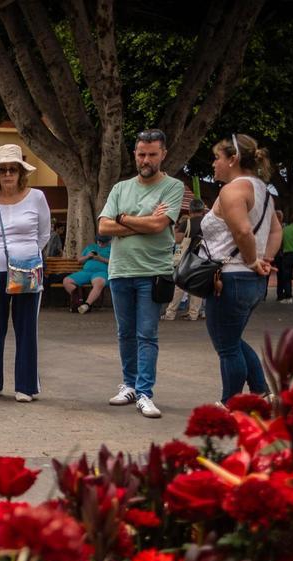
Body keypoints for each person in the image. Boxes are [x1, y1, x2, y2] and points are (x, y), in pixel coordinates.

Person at [97, 129, 185, 419]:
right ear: (135, 155)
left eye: (152, 154)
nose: (145, 159)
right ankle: (130, 385)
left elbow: (160, 226)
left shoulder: (173, 187)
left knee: (147, 334)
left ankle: (145, 392)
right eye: (141, 154)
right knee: (125, 333)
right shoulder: (120, 188)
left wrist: (122, 218)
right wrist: (141, 222)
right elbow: (103, 228)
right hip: (120, 270)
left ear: (163, 154)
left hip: (153, 273)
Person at [201, 134, 282, 403]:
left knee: (226, 346)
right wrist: (264, 260)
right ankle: (261, 392)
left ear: (232, 159)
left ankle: (230, 402)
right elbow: (275, 231)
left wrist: (251, 259)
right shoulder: (263, 191)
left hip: (230, 277)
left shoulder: (233, 190)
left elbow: (242, 230)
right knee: (233, 339)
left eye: (217, 158)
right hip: (252, 280)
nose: (214, 164)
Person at [0, 144, 50, 401]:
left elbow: (44, 233)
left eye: (13, 169)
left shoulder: (37, 197)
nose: (8, 174)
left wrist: (25, 255)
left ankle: (26, 386)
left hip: (27, 268)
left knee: (27, 327)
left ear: (21, 173)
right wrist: (2, 256)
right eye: (3, 170)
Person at [164, 199, 207, 321]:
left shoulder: (187, 223)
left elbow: (177, 240)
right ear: (203, 211)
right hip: (203, 258)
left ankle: (170, 313)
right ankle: (193, 314)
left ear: (190, 210)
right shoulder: (207, 223)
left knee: (179, 285)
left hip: (187, 258)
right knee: (197, 286)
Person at [63, 234, 111, 314]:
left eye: (103, 242)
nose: (101, 243)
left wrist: (100, 258)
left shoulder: (112, 249)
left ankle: (87, 304)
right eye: (99, 241)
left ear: (109, 241)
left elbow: (114, 263)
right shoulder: (90, 247)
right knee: (67, 281)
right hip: (85, 272)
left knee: (99, 283)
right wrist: (87, 256)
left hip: (101, 272)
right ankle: (79, 302)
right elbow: (79, 260)